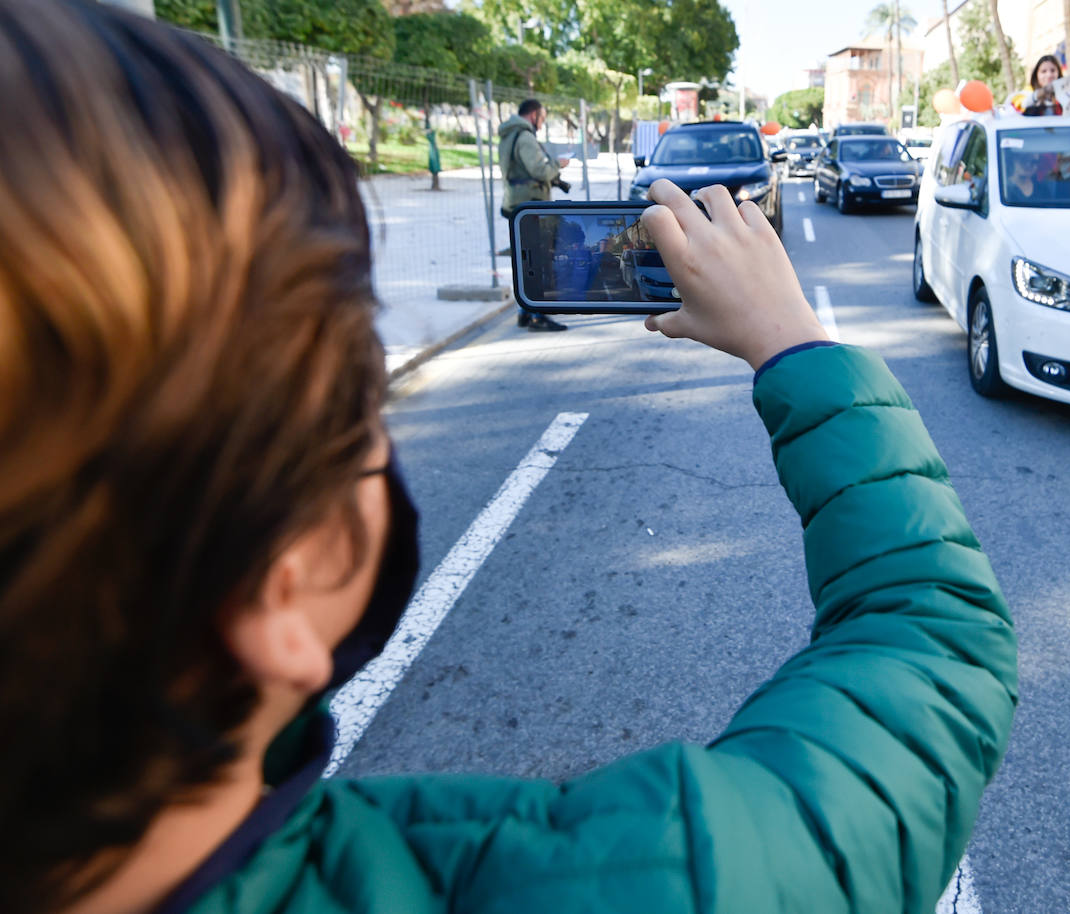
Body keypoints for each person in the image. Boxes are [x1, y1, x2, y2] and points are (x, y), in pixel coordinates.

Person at [0, 4, 1018, 914]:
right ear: (288, 581)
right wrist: (795, 344)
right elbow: (932, 633)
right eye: (358, 409)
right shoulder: (644, 875)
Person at [499, 98, 572, 331]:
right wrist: (557, 164)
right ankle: (538, 316)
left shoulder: (509, 134)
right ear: (533, 115)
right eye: (542, 117)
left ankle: (525, 312)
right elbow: (539, 170)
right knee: (539, 262)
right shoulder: (525, 136)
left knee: (526, 260)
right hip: (531, 207)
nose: (542, 122)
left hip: (517, 204)